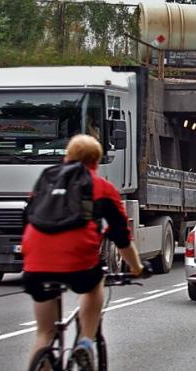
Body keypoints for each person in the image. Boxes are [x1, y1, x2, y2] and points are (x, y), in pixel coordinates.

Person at [22, 134, 144, 370]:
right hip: (78, 263)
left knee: (44, 333)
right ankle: (86, 342)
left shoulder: (46, 180)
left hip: (35, 264)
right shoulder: (102, 187)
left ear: (67, 156)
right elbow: (120, 236)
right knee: (93, 285)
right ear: (96, 161)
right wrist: (136, 267)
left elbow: (27, 219)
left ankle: (42, 359)